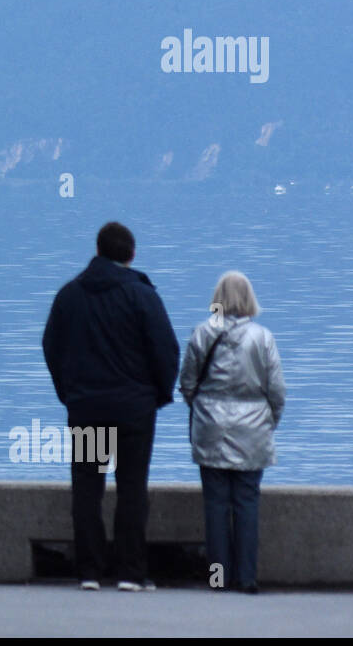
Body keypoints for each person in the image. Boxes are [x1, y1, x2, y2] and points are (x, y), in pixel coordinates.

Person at [42, 222, 180, 591]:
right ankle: (130, 573)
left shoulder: (69, 295)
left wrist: (69, 393)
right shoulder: (142, 296)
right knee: (132, 487)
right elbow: (166, 350)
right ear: (131, 254)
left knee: (87, 487)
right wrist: (158, 395)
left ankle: (88, 571)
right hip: (135, 411)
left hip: (87, 410)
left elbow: (51, 348)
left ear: (98, 251)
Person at [180, 272, 285, 594]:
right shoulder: (262, 337)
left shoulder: (202, 333)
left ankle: (217, 578)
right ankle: (247, 577)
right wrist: (268, 421)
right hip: (252, 428)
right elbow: (277, 391)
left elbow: (186, 384)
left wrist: (203, 411)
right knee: (246, 503)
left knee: (215, 505)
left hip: (211, 426)